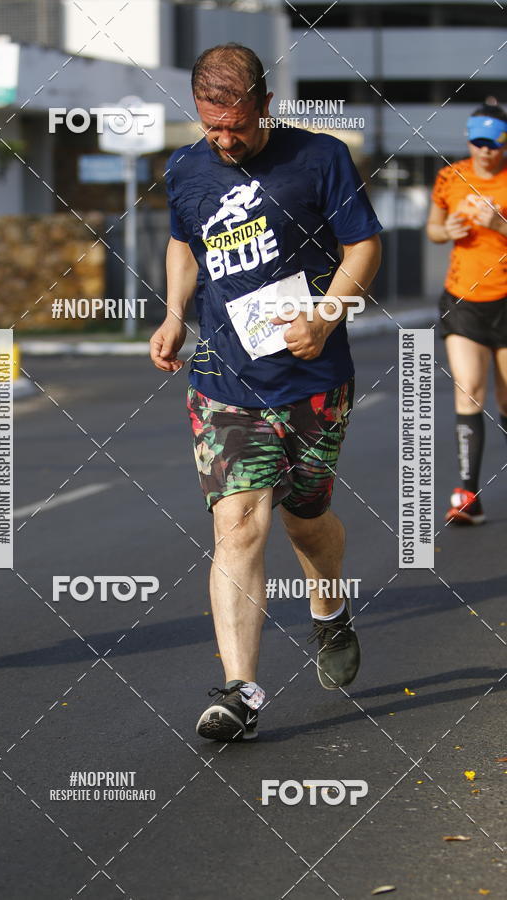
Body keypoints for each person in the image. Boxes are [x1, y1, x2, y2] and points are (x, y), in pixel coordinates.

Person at [150, 44, 382, 742]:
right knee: (239, 522)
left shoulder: (320, 158)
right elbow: (185, 243)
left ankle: (328, 608)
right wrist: (173, 313)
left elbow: (364, 247)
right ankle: (240, 691)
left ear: (266, 106)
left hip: (314, 379)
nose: (225, 140)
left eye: (239, 126)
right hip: (224, 380)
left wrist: (327, 314)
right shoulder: (185, 168)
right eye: (212, 126)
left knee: (307, 519)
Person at [427, 103, 507, 525]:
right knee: (469, 389)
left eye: (492, 144)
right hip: (463, 300)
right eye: (477, 143)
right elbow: (433, 229)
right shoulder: (450, 177)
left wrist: (499, 225)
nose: (484, 151)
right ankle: (467, 494)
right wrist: (448, 230)